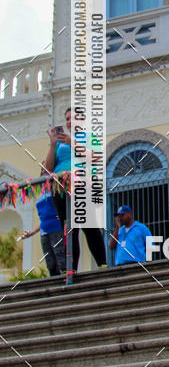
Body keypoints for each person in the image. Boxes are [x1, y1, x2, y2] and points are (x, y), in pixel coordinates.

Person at [43, 107, 107, 275]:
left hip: (81, 184)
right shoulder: (59, 144)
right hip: (61, 187)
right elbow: (48, 169)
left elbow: (94, 157)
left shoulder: (89, 137)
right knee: (69, 228)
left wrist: (72, 142)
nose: (69, 121)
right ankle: (70, 268)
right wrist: (52, 144)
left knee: (89, 225)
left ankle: (102, 264)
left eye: (73, 118)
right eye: (67, 119)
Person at [20, 191, 66, 277]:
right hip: (44, 232)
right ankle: (54, 278)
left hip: (56, 228)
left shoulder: (56, 192)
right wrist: (33, 232)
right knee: (49, 259)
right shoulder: (41, 196)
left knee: (59, 254)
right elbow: (43, 220)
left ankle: (65, 276)